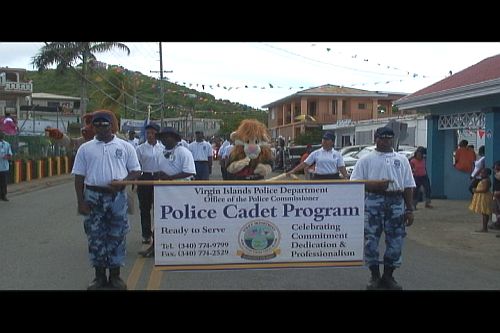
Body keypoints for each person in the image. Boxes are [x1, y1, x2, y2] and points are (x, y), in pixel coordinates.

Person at [71, 111, 141, 290]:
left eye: (105, 124)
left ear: (112, 126)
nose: (101, 128)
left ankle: (116, 276)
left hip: (117, 197)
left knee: (117, 235)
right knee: (95, 236)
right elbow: (79, 177)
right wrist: (81, 202)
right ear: (93, 127)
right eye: (97, 125)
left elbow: (136, 171)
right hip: (93, 196)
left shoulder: (125, 147)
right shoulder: (85, 148)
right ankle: (99, 276)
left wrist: (122, 182)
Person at [350, 126, 416, 290]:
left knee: (396, 240)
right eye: (382, 138)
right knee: (371, 240)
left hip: (396, 201)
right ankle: (374, 276)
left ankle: (388, 276)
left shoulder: (402, 160)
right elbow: (354, 183)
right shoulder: (366, 160)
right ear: (376, 139)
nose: (385, 141)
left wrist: (409, 209)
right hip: (373, 200)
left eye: (388, 138)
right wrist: (374, 184)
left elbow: (408, 185)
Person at [138, 126, 196, 258]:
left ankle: (183, 246)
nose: (165, 139)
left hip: (181, 191)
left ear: (175, 138)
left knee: (179, 220)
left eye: (168, 136)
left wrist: (170, 177)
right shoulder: (161, 153)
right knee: (160, 219)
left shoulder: (183, 152)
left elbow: (190, 171)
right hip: (164, 191)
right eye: (163, 137)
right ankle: (156, 246)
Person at [135, 122, 163, 245]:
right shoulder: (140, 149)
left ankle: (159, 234)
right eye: (148, 133)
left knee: (159, 208)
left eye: (152, 133)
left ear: (157, 134)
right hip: (145, 177)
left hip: (159, 178)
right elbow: (136, 166)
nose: (150, 135)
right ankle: (146, 234)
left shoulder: (162, 148)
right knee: (145, 208)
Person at [469, 168, 493, 233]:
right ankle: (484, 227)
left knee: (485, 213)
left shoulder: (486, 181)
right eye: (481, 173)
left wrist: (476, 190)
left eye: (483, 173)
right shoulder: (485, 180)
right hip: (483, 197)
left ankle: (484, 228)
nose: (481, 174)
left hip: (484, 197)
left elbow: (485, 190)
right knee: (484, 213)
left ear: (487, 174)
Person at [0, 131, 13, 201]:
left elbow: (10, 155)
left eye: (3, 135)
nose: (2, 136)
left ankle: (3, 195)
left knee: (4, 183)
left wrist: (7, 157)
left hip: (4, 167)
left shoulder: (7, 144)